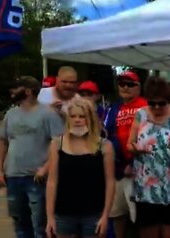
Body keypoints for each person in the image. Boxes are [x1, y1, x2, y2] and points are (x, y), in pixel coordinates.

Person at [128, 76, 170, 238]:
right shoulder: (140, 115)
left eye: (161, 103)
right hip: (147, 188)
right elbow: (130, 144)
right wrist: (135, 149)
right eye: (152, 103)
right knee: (148, 231)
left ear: (168, 100)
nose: (156, 107)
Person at [0, 76, 64, 238]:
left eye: (16, 88)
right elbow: (3, 142)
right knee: (20, 224)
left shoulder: (48, 114)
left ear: (27, 91)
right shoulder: (11, 114)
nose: (12, 92)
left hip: (37, 178)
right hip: (13, 176)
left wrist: (46, 168)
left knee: (40, 226)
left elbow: (60, 144)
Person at [45, 98, 115, 238]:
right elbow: (52, 182)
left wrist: (105, 215)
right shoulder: (57, 144)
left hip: (94, 214)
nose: (77, 120)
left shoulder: (104, 146)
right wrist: (50, 217)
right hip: (63, 214)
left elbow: (110, 182)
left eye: (82, 116)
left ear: (90, 119)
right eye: (73, 116)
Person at [104, 71, 147, 238]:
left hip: (141, 169)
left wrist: (135, 163)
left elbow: (149, 138)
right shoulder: (113, 108)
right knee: (117, 213)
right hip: (118, 170)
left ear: (138, 87)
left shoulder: (145, 106)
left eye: (130, 84)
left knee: (140, 215)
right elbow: (107, 135)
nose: (125, 87)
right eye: (122, 84)